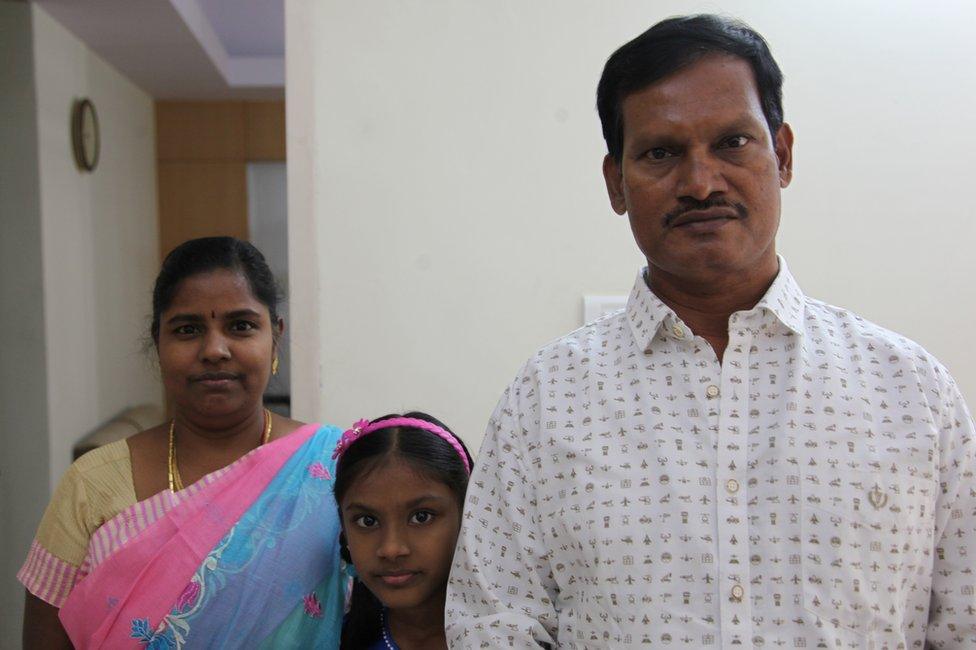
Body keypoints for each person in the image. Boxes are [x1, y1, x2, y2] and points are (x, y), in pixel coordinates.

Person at [446, 14, 976, 649]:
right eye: (661, 153)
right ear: (616, 182)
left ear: (781, 155)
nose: (700, 183)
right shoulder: (547, 397)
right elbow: (493, 624)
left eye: (732, 142)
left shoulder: (911, 392)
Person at [20, 237, 347, 648]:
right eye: (188, 329)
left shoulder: (336, 467)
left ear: (274, 337)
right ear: (159, 341)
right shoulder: (92, 485)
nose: (215, 350)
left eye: (241, 326)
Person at [332, 412, 472, 649]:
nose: (391, 549)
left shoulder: (516, 637)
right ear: (344, 531)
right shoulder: (335, 640)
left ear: (467, 515)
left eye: (421, 517)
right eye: (367, 521)